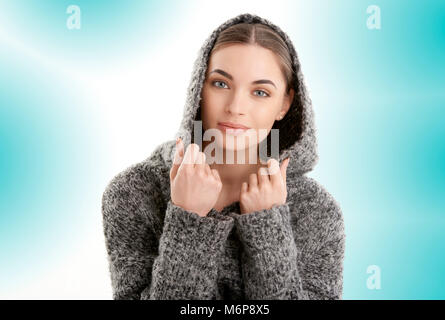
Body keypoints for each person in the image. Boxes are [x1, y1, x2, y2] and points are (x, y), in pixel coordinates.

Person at [101, 13, 346, 300]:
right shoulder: (135, 193)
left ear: (285, 104)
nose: (236, 106)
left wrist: (268, 228)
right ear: (198, 90)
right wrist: (188, 218)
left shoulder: (315, 210)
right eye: (220, 84)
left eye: (260, 92)